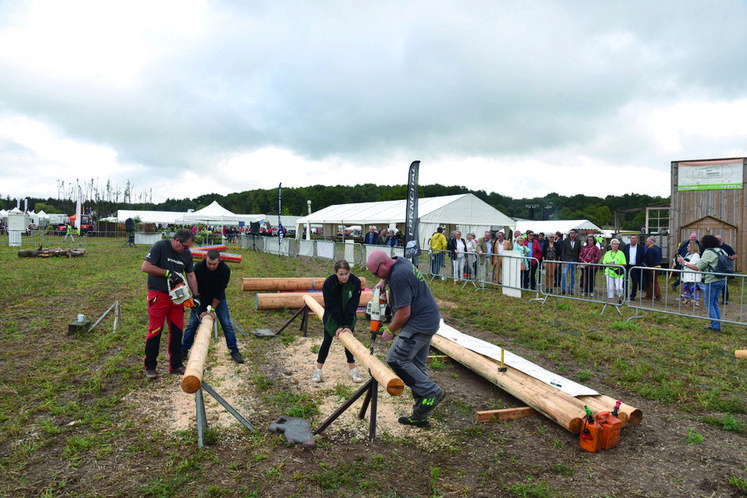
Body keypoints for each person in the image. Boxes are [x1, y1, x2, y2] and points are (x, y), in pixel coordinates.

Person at [365, 250, 445, 428]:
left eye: (375, 273)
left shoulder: (399, 277)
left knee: (396, 358)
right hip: (428, 319)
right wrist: (382, 280)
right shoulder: (398, 262)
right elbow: (389, 273)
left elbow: (403, 313)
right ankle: (421, 415)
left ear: (384, 265)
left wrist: (390, 330)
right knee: (416, 367)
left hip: (419, 323)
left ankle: (432, 392)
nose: (374, 276)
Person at [140, 229, 198, 379]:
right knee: (155, 330)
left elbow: (190, 275)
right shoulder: (160, 246)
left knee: (177, 330)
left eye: (188, 248)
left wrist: (196, 295)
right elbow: (145, 267)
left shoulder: (187, 254)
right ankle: (150, 366)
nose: (186, 250)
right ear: (177, 240)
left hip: (178, 297)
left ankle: (176, 364)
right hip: (158, 295)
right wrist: (167, 273)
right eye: (185, 247)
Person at [181, 249, 244, 364]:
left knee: (226, 323)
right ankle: (183, 351)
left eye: (214, 264)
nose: (211, 266)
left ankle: (234, 351)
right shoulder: (198, 268)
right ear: (205, 259)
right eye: (209, 263)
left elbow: (220, 291)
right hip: (200, 297)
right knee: (192, 324)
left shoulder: (225, 270)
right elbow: (196, 288)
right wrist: (203, 307)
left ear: (219, 261)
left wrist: (212, 310)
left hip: (218, 298)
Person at [311, 260, 364, 383]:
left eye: (346, 274)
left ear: (349, 272)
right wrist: (339, 324)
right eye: (341, 274)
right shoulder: (329, 283)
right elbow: (331, 305)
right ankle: (318, 370)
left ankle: (353, 370)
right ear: (335, 273)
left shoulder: (355, 282)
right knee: (327, 341)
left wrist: (346, 325)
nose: (344, 277)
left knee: (348, 342)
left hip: (348, 316)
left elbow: (353, 305)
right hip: (332, 317)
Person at [677, 234, 727, 332]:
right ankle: (716, 324)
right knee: (714, 302)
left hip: (712, 280)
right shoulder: (722, 251)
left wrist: (684, 263)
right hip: (722, 279)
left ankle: (715, 326)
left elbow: (698, 267)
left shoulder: (708, 252)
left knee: (709, 303)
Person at [679, 240, 703, 307]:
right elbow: (685, 263)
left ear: (692, 247)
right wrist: (681, 261)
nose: (687, 247)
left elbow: (691, 264)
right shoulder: (688, 254)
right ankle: (687, 300)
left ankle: (697, 302)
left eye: (689, 246)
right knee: (686, 288)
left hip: (693, 276)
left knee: (694, 289)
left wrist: (683, 262)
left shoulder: (696, 255)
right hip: (687, 275)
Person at [602, 238, 627, 304]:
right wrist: (609, 264)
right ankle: (611, 301)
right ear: (611, 245)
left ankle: (620, 298)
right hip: (609, 272)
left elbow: (624, 263)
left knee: (619, 288)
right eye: (614, 244)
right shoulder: (607, 253)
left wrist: (617, 265)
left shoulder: (621, 253)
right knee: (610, 287)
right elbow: (604, 263)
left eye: (617, 244)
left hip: (618, 272)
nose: (615, 245)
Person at [622, 234, 645, 301]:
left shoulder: (640, 247)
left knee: (635, 281)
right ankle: (625, 294)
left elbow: (643, 257)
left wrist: (641, 264)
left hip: (636, 266)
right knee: (625, 280)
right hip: (627, 266)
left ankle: (633, 295)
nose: (633, 240)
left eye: (635, 238)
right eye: (632, 238)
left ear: (637, 240)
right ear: (630, 239)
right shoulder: (626, 247)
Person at [716, 235, 737, 305]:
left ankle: (725, 300)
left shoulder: (727, 247)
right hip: (716, 268)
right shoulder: (714, 247)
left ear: (720, 240)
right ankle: (715, 299)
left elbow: (735, 255)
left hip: (724, 269)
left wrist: (728, 259)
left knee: (724, 285)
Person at [561, 229, 581, 295]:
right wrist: (563, 260)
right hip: (567, 259)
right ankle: (563, 289)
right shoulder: (566, 240)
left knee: (573, 275)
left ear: (575, 234)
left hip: (574, 259)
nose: (571, 234)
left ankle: (570, 289)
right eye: (571, 233)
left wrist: (578, 261)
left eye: (573, 233)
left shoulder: (578, 241)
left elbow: (579, 251)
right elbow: (563, 250)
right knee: (564, 274)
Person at [642, 236, 663, 301]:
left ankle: (650, 295)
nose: (646, 242)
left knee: (650, 281)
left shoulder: (650, 249)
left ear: (650, 242)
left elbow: (649, 258)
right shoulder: (657, 248)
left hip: (652, 267)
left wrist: (646, 265)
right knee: (655, 281)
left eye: (647, 241)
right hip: (658, 266)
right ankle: (657, 294)